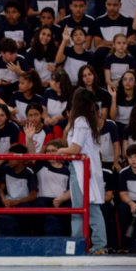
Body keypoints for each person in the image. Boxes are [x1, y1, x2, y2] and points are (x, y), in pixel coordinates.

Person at [57, 87, 107, 254]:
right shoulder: (86, 120)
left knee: (85, 208)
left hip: (83, 169)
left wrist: (58, 151)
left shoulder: (81, 121)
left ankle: (88, 246)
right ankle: (89, 245)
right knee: (84, 208)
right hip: (82, 168)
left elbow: (74, 149)